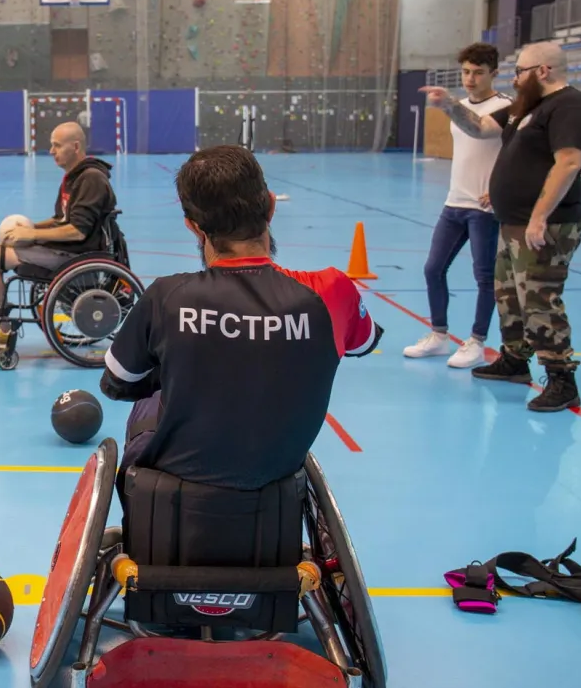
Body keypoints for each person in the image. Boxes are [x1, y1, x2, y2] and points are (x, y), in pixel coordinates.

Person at [99, 145, 382, 495]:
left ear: (193, 227)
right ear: (271, 206)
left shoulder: (166, 297)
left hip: (172, 497)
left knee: (151, 397)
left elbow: (117, 382)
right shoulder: (332, 292)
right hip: (278, 488)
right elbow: (365, 342)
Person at [419, 40, 581, 411]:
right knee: (508, 294)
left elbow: (567, 163)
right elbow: (482, 128)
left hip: (548, 225)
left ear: (543, 71)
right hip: (512, 222)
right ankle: (515, 360)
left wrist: (539, 216)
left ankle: (562, 379)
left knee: (539, 299)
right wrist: (450, 104)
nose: (516, 79)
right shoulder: (526, 107)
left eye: (521, 72)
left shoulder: (570, 106)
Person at [404, 43, 510, 368]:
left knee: (484, 276)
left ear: (494, 73)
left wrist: (501, 188)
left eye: (478, 72)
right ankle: (439, 335)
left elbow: (513, 152)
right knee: (433, 268)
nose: (471, 78)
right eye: (466, 72)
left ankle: (477, 341)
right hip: (455, 203)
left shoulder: (506, 107)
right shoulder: (460, 107)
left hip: (485, 209)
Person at [0, 122, 116, 348]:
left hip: (76, 256)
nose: (51, 151)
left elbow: (76, 231)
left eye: (57, 145)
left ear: (75, 147)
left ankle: (1, 329)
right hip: (67, 251)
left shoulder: (90, 179)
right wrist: (29, 229)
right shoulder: (74, 177)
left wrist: (32, 235)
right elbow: (60, 220)